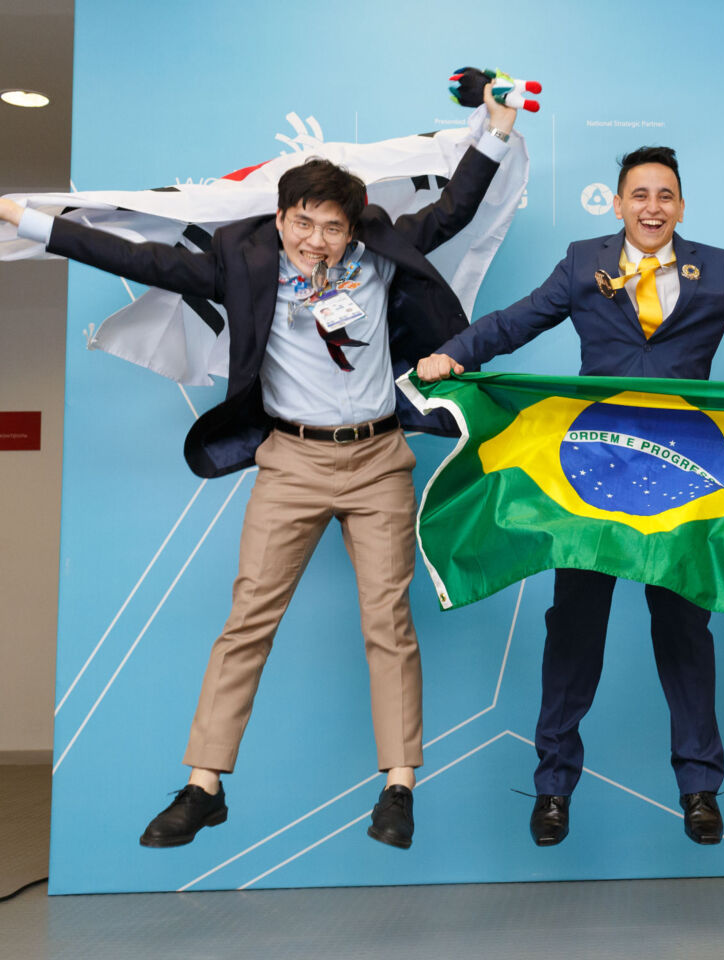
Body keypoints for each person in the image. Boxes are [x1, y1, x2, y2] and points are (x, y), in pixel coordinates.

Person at [0, 86, 519, 851]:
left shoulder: (380, 261)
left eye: (331, 226)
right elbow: (136, 256)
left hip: (379, 461)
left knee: (389, 624)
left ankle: (399, 784)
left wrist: (499, 129)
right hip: (292, 463)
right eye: (301, 222)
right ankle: (203, 786)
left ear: (352, 228)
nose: (315, 239)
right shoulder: (245, 268)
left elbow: (456, 211)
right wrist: (32, 220)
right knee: (247, 622)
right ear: (280, 220)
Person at [417, 145, 724, 847]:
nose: (653, 206)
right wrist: (457, 354)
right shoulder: (581, 262)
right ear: (618, 203)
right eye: (640, 194)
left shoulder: (715, 270)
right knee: (573, 628)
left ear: (681, 206)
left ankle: (699, 789)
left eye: (665, 195)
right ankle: (552, 789)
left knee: (684, 630)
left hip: (686, 476)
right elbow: (516, 320)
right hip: (592, 469)